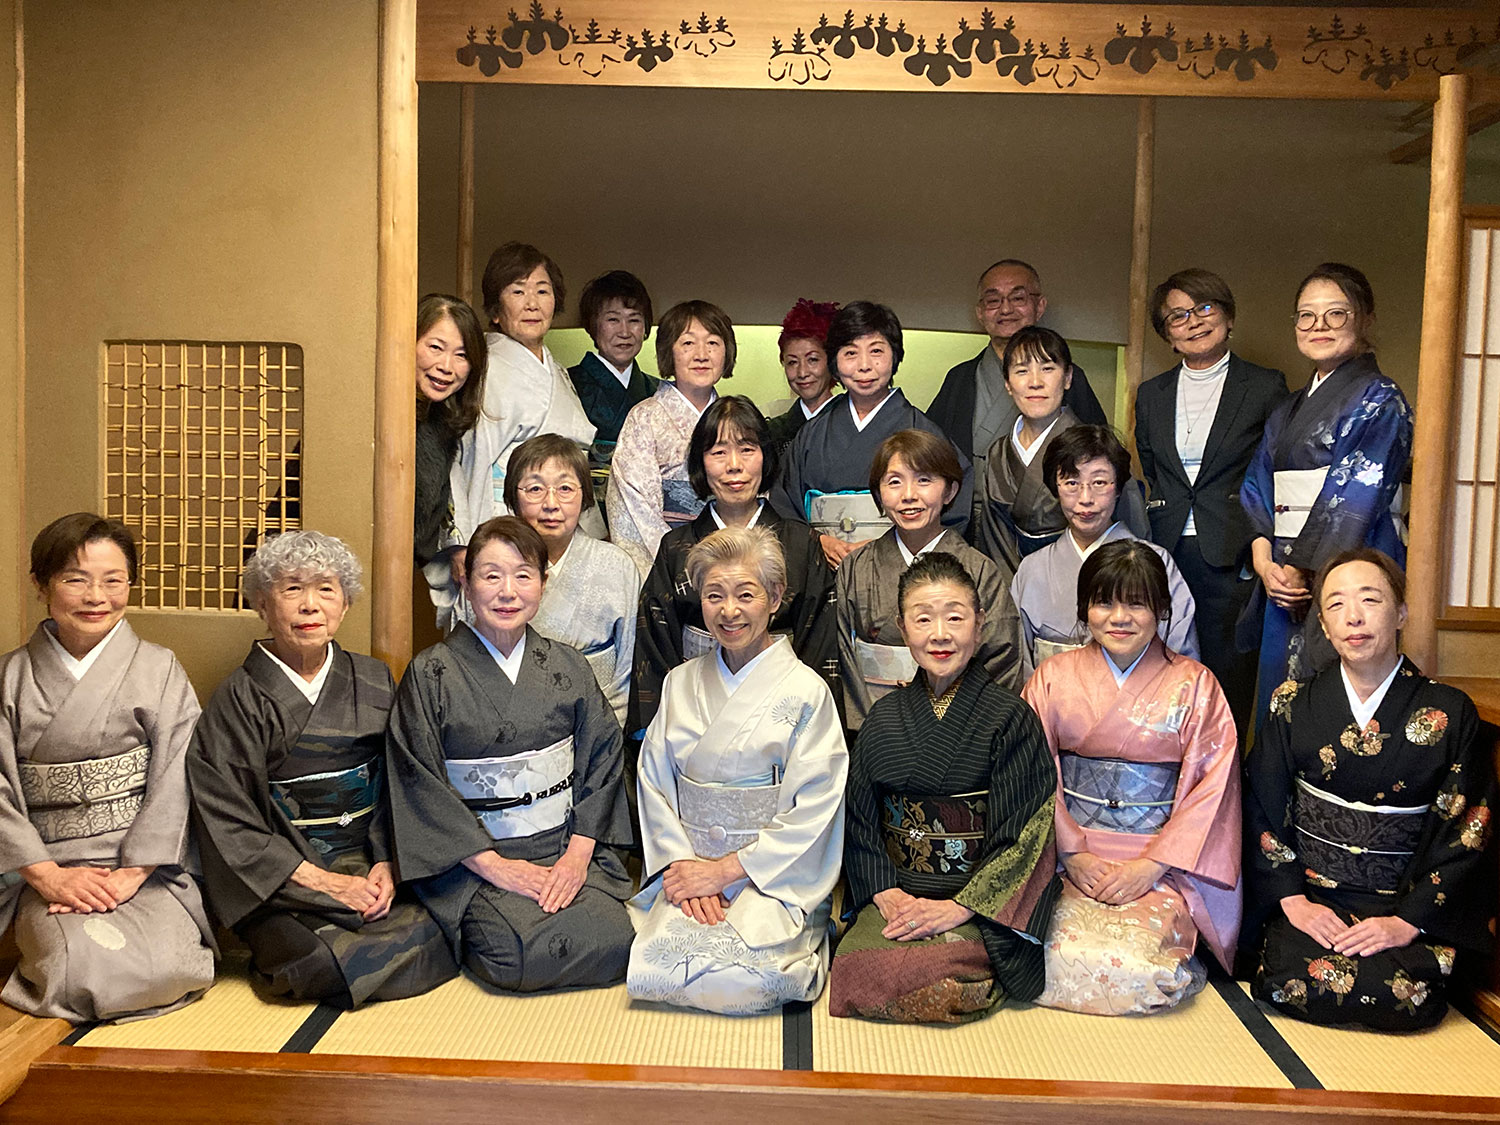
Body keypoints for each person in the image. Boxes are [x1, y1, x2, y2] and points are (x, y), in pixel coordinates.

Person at [190, 531, 457, 1007]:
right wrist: (324, 882)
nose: (310, 605)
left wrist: (388, 864)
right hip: (289, 879)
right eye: (292, 588)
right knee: (318, 960)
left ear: (345, 604)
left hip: (368, 861)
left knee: (447, 927)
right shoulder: (238, 699)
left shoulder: (373, 678)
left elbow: (404, 780)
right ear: (261, 603)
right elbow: (227, 817)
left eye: (326, 589)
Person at [1244, 549, 1495, 1031]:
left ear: (1401, 613)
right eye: (1336, 604)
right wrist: (1293, 901)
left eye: (1370, 600)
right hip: (1315, 899)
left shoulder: (1449, 712)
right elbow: (1262, 803)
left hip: (1401, 903)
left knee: (1406, 993)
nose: (1353, 617)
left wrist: (1408, 921)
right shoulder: (1292, 702)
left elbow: (1467, 829)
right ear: (1323, 624)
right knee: (1287, 977)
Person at [386, 517, 635, 993]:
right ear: (466, 580)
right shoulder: (431, 673)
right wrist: (497, 867)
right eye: (491, 575)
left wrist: (576, 858)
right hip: (476, 862)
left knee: (617, 941)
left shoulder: (568, 665)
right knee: (515, 956)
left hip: (561, 850)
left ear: (543, 582)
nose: (507, 592)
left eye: (523, 575)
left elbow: (603, 761)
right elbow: (419, 783)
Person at [830, 553, 1060, 1024]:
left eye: (955, 617)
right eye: (923, 619)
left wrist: (961, 907)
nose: (940, 634)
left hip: (975, 904)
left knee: (938, 977)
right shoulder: (883, 717)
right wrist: (882, 891)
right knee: (855, 971)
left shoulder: (1010, 719)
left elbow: (1026, 834)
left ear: (980, 624)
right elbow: (860, 819)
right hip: (900, 896)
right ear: (902, 628)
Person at [0, 514, 213, 1021]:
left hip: (142, 866)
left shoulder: (159, 668)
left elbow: (178, 775)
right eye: (76, 580)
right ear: (41, 585)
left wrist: (133, 872)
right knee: (82, 971)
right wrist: (48, 877)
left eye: (113, 581)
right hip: (47, 868)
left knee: (170, 965)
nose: (97, 597)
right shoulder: (9, 677)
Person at [627, 527, 847, 1012]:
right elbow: (654, 784)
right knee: (653, 968)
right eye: (714, 595)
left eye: (746, 595)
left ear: (775, 598)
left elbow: (817, 804)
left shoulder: (807, 692)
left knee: (757, 976)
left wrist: (727, 872)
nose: (729, 611)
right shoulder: (679, 683)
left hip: (769, 877)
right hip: (690, 872)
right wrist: (683, 868)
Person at [1023, 541, 1241, 1016]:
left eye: (1137, 603)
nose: (1119, 617)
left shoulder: (1196, 684)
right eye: (1104, 602)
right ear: (1084, 608)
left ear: (1161, 608)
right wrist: (1073, 854)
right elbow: (1029, 772)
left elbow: (1212, 787)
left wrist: (1152, 865)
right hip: (1067, 857)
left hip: (1162, 863)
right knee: (1042, 954)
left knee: (1139, 967)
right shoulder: (1052, 677)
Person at [1241, 263, 1413, 733]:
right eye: (1306, 315)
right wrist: (1263, 559)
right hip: (1283, 574)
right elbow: (1257, 486)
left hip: (1348, 562)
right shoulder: (1287, 409)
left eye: (1336, 314)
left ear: (1365, 318)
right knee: (1279, 699)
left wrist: (1300, 568)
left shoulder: (1380, 400)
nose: (1319, 326)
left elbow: (1355, 493)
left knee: (1339, 690)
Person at [1135, 269, 1287, 739]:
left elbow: (1274, 469)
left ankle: (1224, 772)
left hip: (1234, 550)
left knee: (1227, 676)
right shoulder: (1152, 393)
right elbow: (1151, 466)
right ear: (1167, 334)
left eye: (1205, 307)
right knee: (1163, 671)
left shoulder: (1263, 386)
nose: (1194, 321)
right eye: (1178, 316)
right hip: (1167, 550)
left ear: (1228, 316)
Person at [633, 396, 837, 742]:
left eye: (747, 450)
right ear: (701, 463)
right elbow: (654, 650)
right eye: (718, 452)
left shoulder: (801, 543)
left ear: (765, 457)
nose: (734, 466)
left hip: (782, 719)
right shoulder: (675, 548)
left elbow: (821, 644)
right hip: (694, 719)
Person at [836, 429, 1021, 733]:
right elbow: (845, 659)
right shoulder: (855, 568)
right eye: (894, 482)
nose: (909, 495)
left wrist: (953, 733)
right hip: (878, 731)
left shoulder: (980, 570)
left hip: (962, 733)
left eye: (924, 480)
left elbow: (1002, 661)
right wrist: (874, 733)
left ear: (949, 491)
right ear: (878, 494)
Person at [771, 300, 972, 571]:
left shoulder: (923, 431)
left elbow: (954, 512)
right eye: (850, 353)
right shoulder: (811, 434)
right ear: (834, 361)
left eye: (876, 351)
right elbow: (784, 505)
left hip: (898, 572)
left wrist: (891, 547)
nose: (864, 366)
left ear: (895, 355)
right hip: (822, 570)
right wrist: (817, 541)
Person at [449, 242, 597, 601]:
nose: (532, 303)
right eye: (518, 291)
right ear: (495, 310)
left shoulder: (556, 371)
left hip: (564, 520)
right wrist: (463, 542)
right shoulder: (485, 370)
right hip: (503, 520)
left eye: (542, 291)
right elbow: (466, 462)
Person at [1011, 425, 1198, 679]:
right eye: (1072, 483)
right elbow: (1019, 667)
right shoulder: (1032, 570)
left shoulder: (1158, 563)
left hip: (1145, 701)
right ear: (1055, 487)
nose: (1085, 498)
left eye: (1099, 482)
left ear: (1118, 487)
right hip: (1052, 702)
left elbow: (1182, 666)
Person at [925, 260, 1108, 508]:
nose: (1005, 309)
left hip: (1049, 516)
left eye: (1018, 298)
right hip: (969, 517)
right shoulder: (960, 378)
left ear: (1039, 306)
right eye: (993, 300)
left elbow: (1101, 458)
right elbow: (931, 451)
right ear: (980, 312)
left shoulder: (1068, 377)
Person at [977, 326, 1147, 577]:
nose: (1035, 382)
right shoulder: (997, 455)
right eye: (1022, 371)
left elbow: (1131, 531)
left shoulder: (1100, 451)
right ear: (1008, 384)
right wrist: (1017, 589)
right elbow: (993, 540)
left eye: (1047, 369)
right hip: (1016, 584)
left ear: (1068, 377)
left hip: (1093, 579)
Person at [506, 434, 640, 728]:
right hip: (512, 724)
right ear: (513, 497)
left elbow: (628, 668)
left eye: (565, 488)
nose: (551, 504)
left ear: (585, 495)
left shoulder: (617, 565)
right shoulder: (493, 566)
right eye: (535, 489)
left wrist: (604, 734)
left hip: (600, 722)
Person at [607, 300, 733, 576]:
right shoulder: (645, 418)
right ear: (668, 352)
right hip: (669, 563)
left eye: (713, 343)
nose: (701, 355)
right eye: (688, 343)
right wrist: (681, 564)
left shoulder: (736, 419)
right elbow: (635, 506)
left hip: (732, 559)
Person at [415, 294, 488, 630]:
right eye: (435, 347)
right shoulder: (371, 409)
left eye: (462, 355)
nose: (447, 366)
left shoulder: (443, 422)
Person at [567, 270, 659, 464]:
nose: (624, 332)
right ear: (592, 325)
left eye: (634, 320)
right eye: (613, 320)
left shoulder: (659, 392)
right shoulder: (567, 384)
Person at [766, 298, 840, 453]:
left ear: (832, 361)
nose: (802, 373)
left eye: (812, 360)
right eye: (792, 362)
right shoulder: (772, 432)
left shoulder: (853, 424)